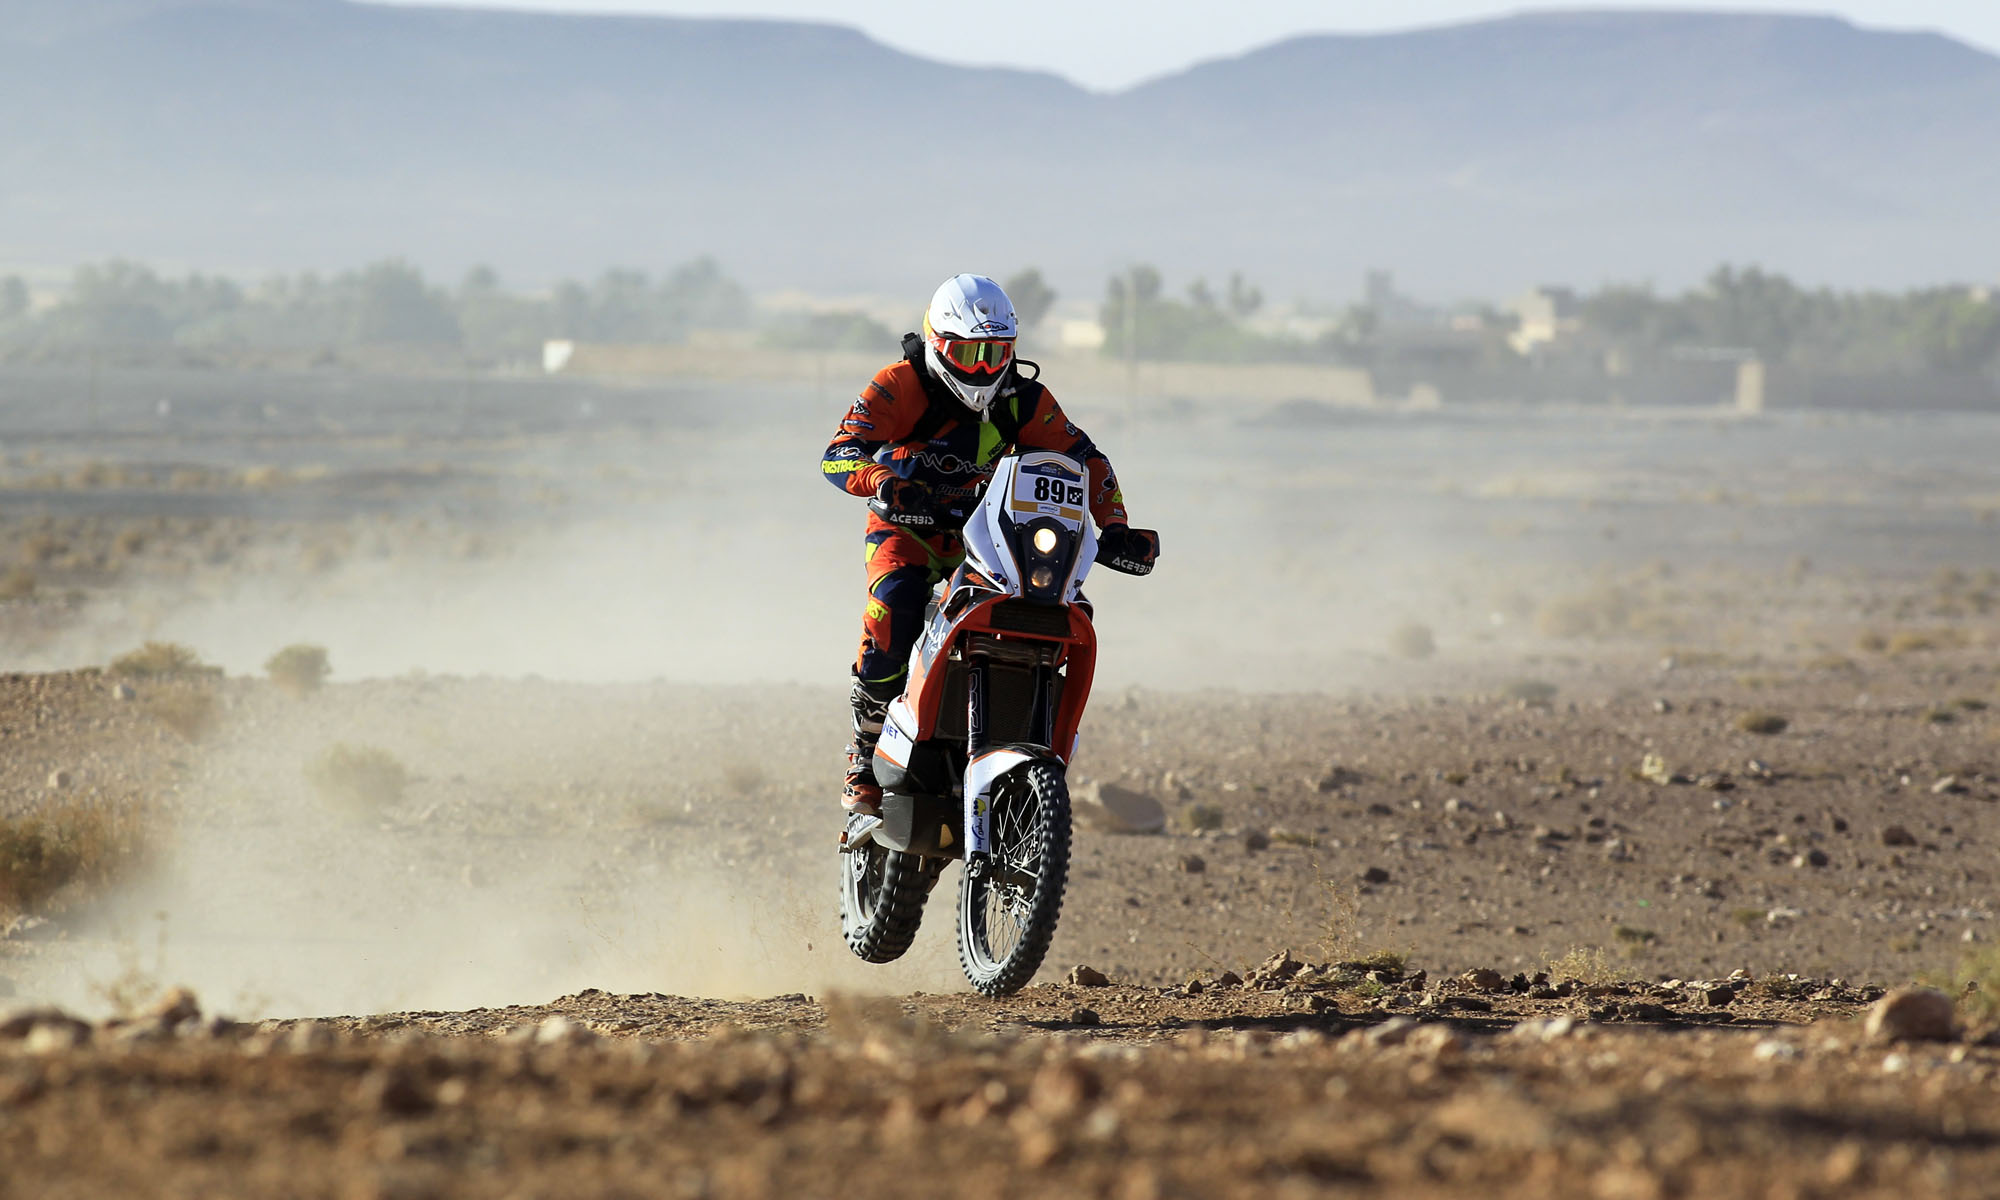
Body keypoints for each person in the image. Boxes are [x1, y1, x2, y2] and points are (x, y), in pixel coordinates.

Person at [821, 274, 1157, 815]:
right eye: (967, 352)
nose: (981, 368)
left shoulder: (1026, 399)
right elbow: (838, 454)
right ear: (935, 343)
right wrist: (881, 482)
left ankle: (1029, 746)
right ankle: (864, 755)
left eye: (994, 353)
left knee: (1059, 607)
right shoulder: (898, 384)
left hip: (986, 536)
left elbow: (1086, 459)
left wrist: (1115, 525)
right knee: (895, 605)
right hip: (906, 531)